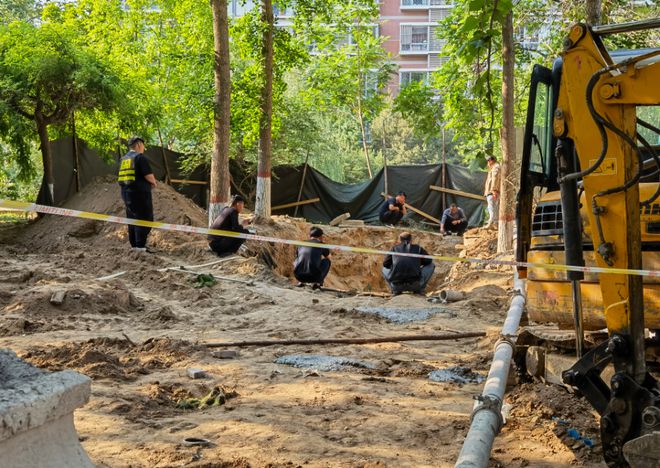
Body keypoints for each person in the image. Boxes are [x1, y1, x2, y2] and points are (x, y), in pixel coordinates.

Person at [118, 136, 157, 252]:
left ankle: (134, 245)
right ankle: (140, 247)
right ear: (139, 145)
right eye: (143, 146)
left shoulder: (123, 159)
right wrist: (153, 182)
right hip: (140, 194)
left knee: (132, 219)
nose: (144, 149)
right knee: (145, 219)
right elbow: (149, 176)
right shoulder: (140, 158)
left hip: (126, 194)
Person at [484, 155, 501, 229]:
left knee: (491, 207)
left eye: (488, 160)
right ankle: (495, 223)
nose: (487, 163)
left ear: (491, 160)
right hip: (493, 191)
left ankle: (491, 222)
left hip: (492, 191)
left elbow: (495, 178)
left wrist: (494, 190)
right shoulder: (495, 167)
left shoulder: (495, 167)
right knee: (494, 207)